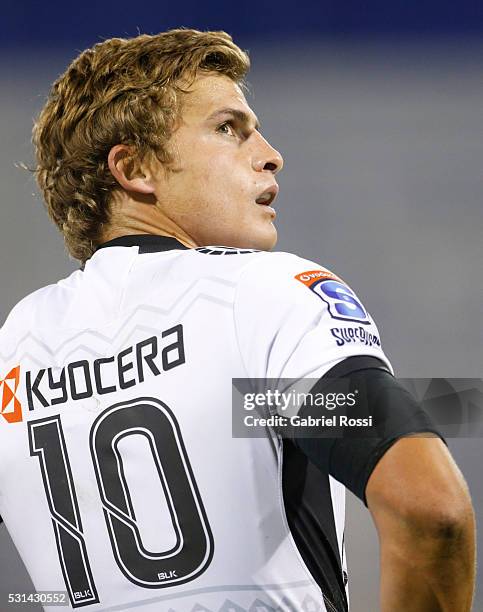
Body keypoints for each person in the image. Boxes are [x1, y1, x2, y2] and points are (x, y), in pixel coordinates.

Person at [0, 29, 475, 612]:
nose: (270, 154)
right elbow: (433, 509)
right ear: (136, 167)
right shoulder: (264, 293)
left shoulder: (16, 347)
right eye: (228, 128)